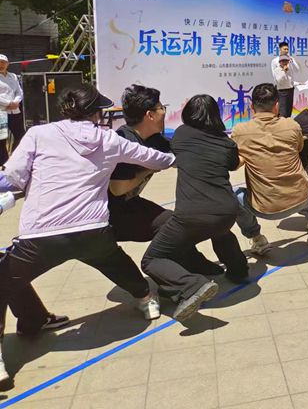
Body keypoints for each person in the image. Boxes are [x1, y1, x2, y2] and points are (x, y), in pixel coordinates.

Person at [0, 84, 174, 327]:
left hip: (42, 234)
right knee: (115, 262)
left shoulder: (38, 134)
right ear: (96, 113)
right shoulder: (109, 139)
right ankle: (146, 300)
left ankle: (25, 329)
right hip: (92, 231)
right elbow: (156, 158)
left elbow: (11, 179)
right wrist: (175, 158)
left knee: (5, 281)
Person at [141, 95, 248, 322]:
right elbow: (235, 163)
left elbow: (172, 151)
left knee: (151, 260)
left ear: (188, 114)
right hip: (227, 211)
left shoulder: (181, 134)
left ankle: (192, 285)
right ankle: (239, 271)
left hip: (191, 215)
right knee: (219, 230)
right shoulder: (226, 143)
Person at [107, 85, 228, 272]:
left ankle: (193, 263)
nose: (164, 112)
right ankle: (182, 270)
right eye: (161, 107)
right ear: (150, 115)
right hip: (108, 216)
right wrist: (148, 169)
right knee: (172, 225)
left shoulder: (154, 139)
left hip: (129, 204)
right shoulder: (125, 142)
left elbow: (181, 155)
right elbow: (117, 188)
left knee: (175, 223)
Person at [232, 83, 308, 245]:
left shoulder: (240, 131)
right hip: (300, 201)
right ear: (277, 106)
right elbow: (299, 147)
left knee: (234, 195)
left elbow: (234, 161)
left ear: (251, 106)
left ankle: (256, 238)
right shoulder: (292, 125)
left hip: (264, 208)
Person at [0, 54, 24, 165]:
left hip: (14, 111)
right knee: (2, 139)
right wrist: (8, 103)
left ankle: (14, 159)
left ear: (7, 64)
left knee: (20, 136)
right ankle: (3, 163)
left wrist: (16, 102)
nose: (1, 65)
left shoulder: (13, 76)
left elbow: (19, 91)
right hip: (2, 111)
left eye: (3, 62)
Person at [272, 42, 299, 118]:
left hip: (290, 88)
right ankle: (282, 124)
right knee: (282, 111)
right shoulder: (275, 61)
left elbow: (297, 70)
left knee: (289, 110)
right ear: (280, 49)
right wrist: (283, 71)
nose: (286, 51)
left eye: (287, 49)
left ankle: (287, 123)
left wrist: (292, 62)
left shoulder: (290, 59)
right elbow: (275, 76)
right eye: (285, 49)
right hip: (281, 90)